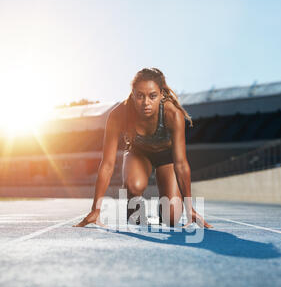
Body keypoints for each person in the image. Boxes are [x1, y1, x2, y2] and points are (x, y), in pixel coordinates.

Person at [73, 67, 213, 229]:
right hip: (138, 154)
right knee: (134, 187)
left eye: (152, 96)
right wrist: (95, 209)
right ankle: (133, 206)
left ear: (161, 95)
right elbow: (107, 164)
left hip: (166, 156)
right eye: (139, 96)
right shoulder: (118, 114)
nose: (146, 102)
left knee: (172, 218)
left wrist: (190, 208)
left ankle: (165, 210)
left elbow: (181, 163)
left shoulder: (172, 114)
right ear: (132, 94)